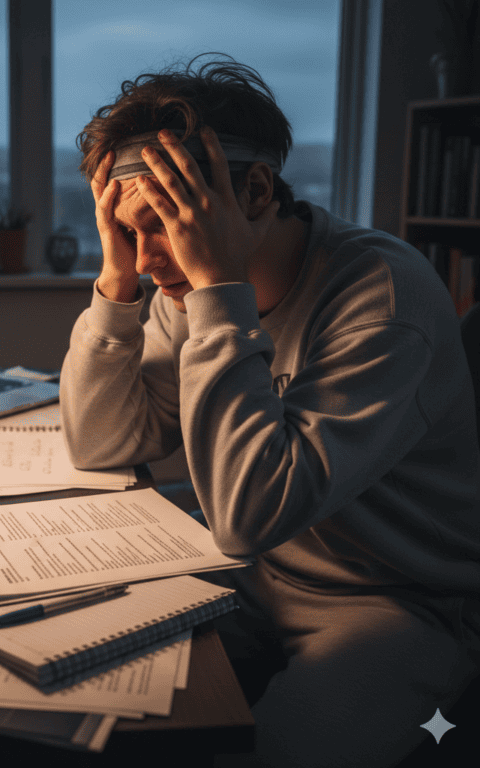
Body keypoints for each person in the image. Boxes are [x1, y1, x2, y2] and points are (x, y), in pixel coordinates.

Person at [59, 53, 480, 767]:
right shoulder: (174, 291)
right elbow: (104, 441)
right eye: (127, 229)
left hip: (395, 598)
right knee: (86, 691)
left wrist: (218, 290)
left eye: (160, 222)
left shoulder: (383, 298)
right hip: (252, 570)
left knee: (270, 754)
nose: (149, 255)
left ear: (255, 189)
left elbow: (250, 511)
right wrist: (115, 282)